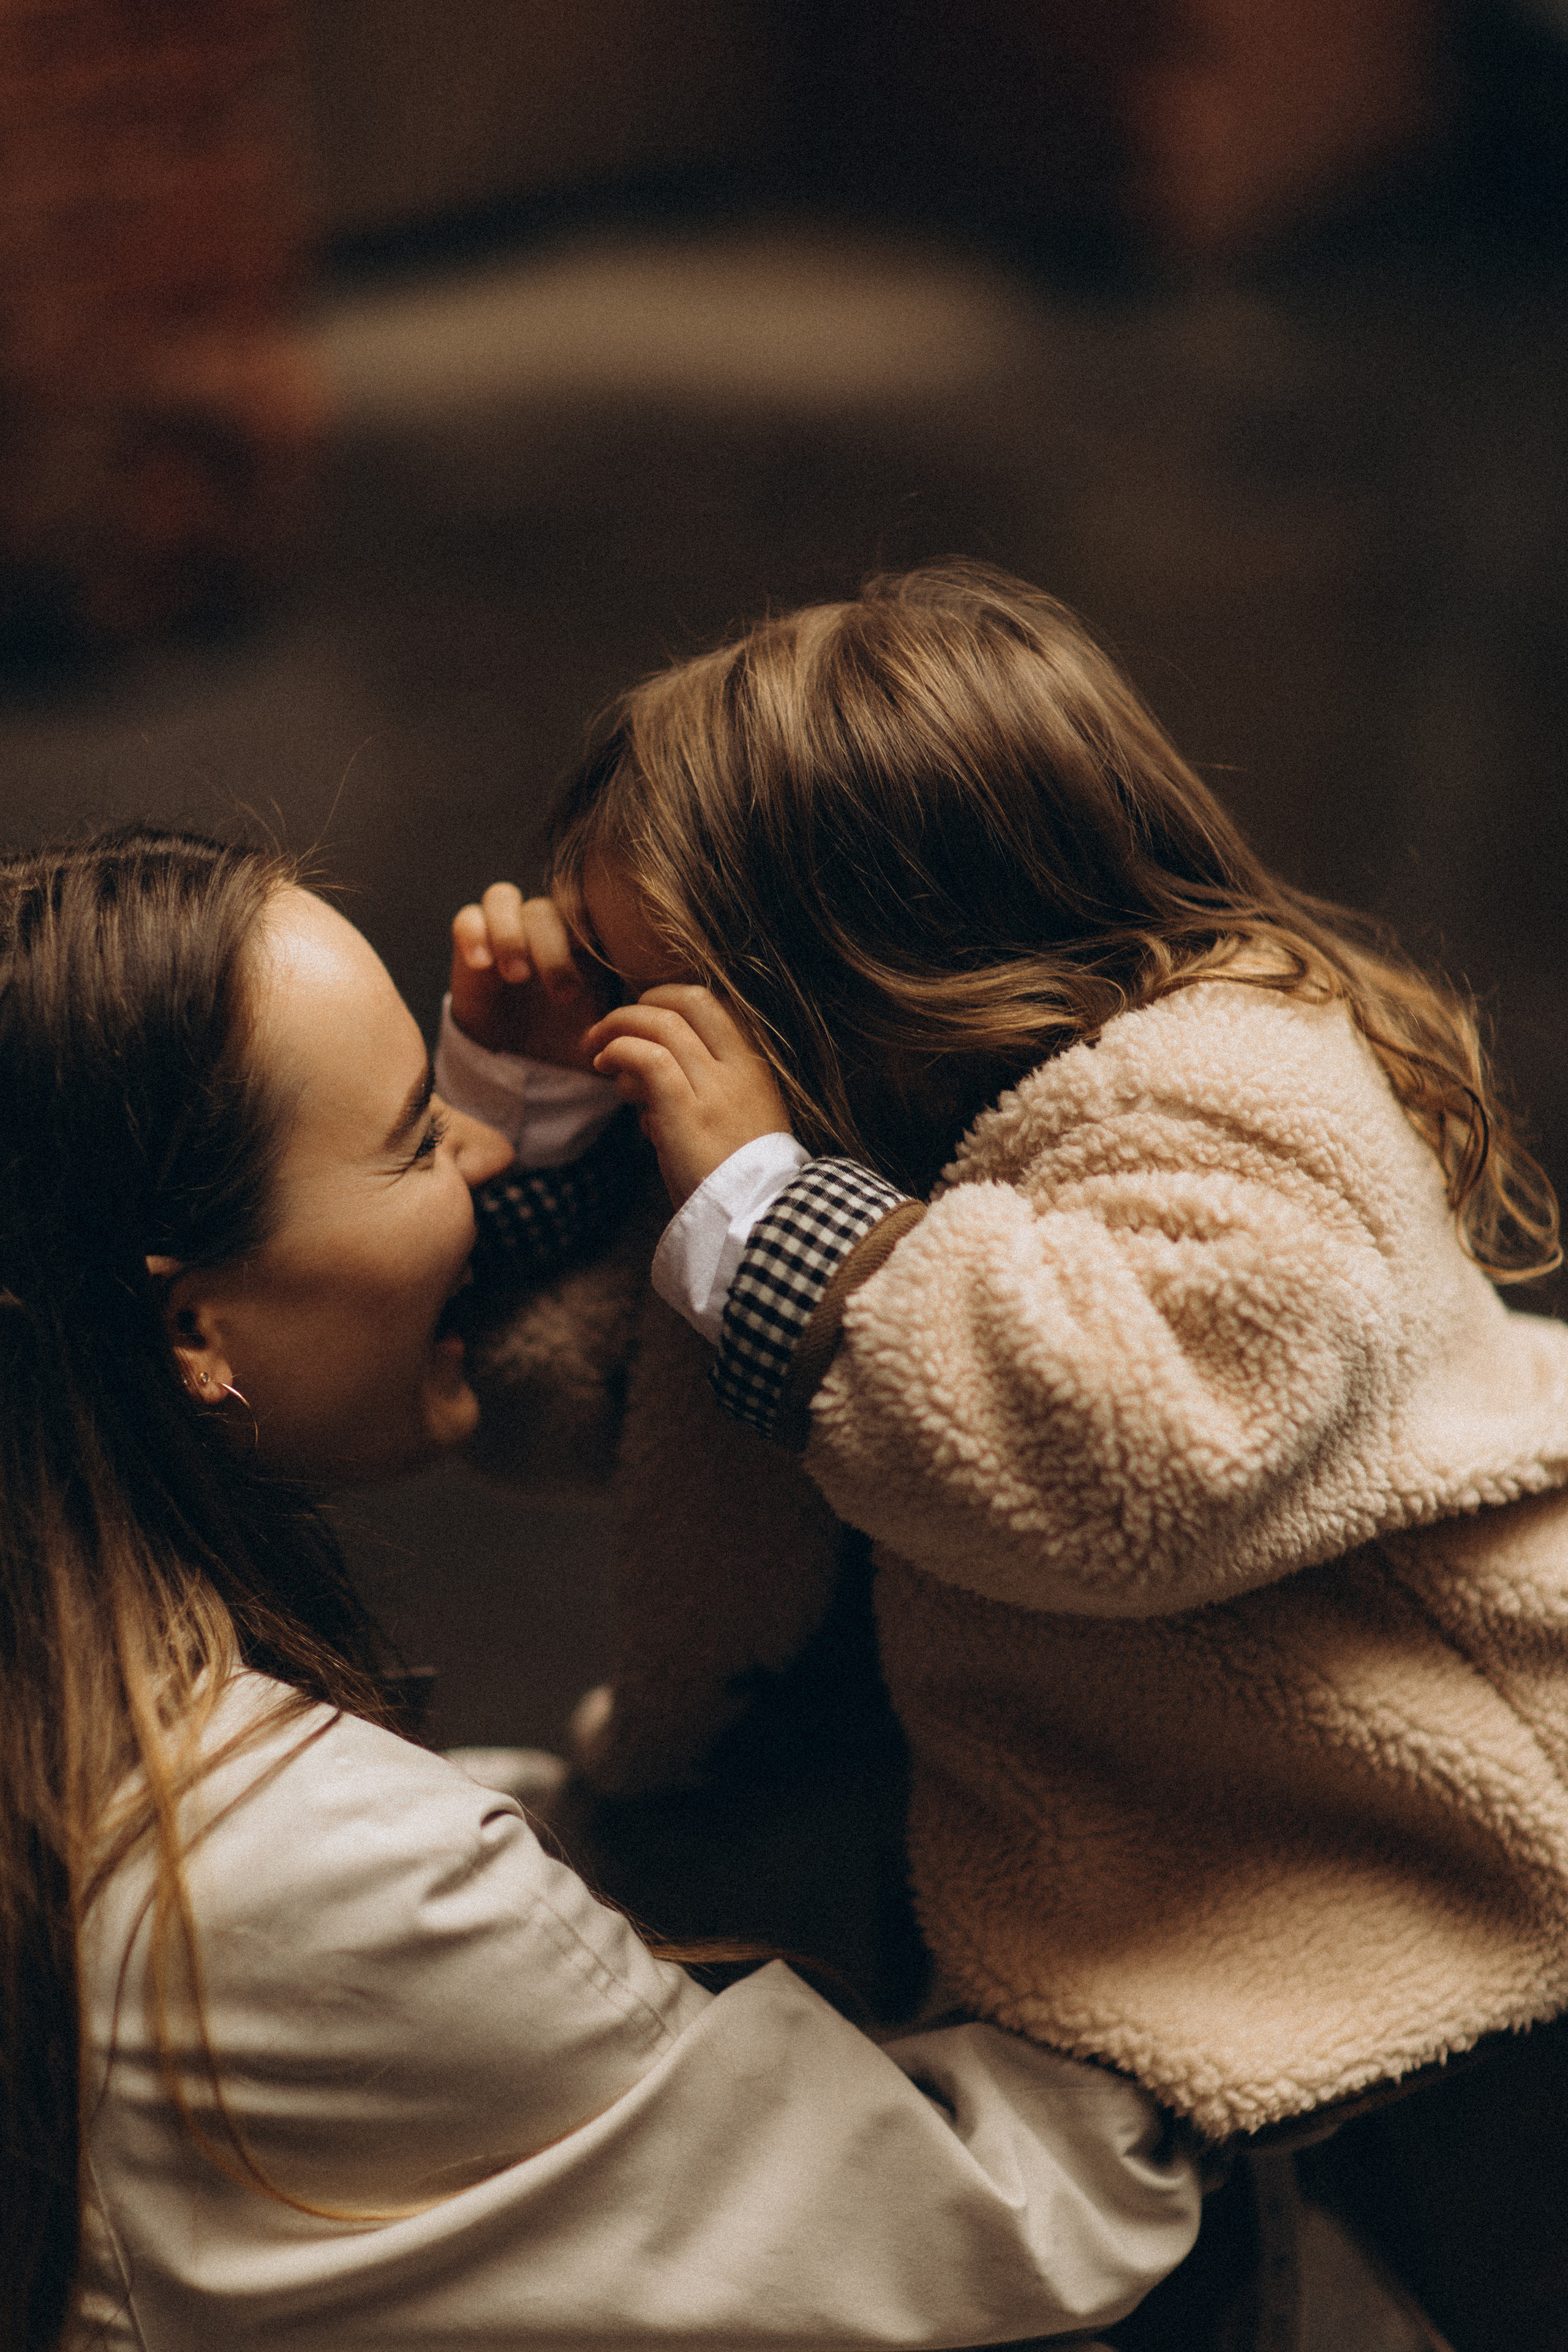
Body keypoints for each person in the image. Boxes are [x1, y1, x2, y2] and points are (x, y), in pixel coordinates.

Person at [0, 824, 1201, 2352]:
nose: (485, 1154)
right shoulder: (303, 1873)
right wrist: (1233, 1859)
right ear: (189, 1331)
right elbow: (994, 2223)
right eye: (416, 1141)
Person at [439, 561, 1568, 2163]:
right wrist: (537, 1116)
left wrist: (769, 1207)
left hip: (1433, 1842)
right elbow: (556, 1406)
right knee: (1128, 2248)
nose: (638, 1038)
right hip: (1085, 1843)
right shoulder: (825, 1155)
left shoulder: (1238, 1086)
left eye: (657, 993)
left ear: (871, 957)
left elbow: (1125, 1471)